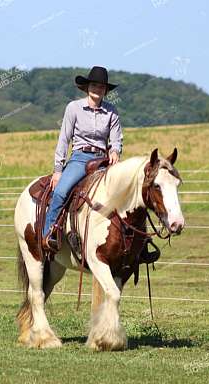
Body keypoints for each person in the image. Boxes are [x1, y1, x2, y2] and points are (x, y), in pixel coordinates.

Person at [42, 66, 123, 252]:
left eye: (101, 86)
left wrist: (115, 151)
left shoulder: (112, 111)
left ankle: (130, 242)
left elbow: (116, 139)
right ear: (87, 87)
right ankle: (49, 234)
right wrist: (58, 170)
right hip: (80, 158)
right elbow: (64, 138)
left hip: (103, 160)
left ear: (105, 90)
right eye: (94, 85)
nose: (97, 89)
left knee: (125, 192)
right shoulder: (73, 108)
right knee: (61, 192)